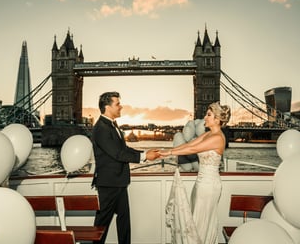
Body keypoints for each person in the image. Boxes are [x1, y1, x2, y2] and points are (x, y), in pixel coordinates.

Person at [91, 91, 159, 244]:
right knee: (102, 224)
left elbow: (125, 149)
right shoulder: (101, 128)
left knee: (124, 221)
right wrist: (144, 157)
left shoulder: (112, 125)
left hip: (119, 182)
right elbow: (117, 154)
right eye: (117, 104)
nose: (121, 107)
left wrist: (144, 154)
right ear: (107, 107)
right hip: (108, 185)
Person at [159, 102, 231, 244]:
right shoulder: (208, 134)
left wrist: (167, 153)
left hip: (209, 186)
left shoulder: (217, 138)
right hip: (200, 183)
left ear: (217, 120)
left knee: (201, 222)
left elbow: (193, 150)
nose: (205, 117)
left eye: (208, 115)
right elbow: (189, 145)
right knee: (196, 220)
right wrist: (165, 151)